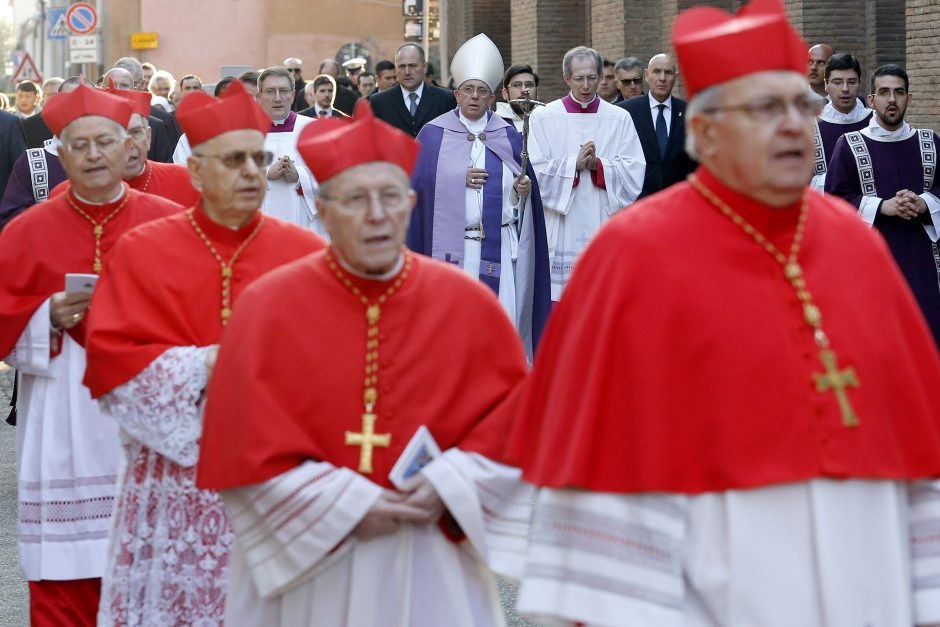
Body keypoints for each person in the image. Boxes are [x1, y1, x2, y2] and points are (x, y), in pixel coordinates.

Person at [510, 2, 940, 626]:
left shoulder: (855, 243)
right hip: (709, 586)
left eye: (801, 105)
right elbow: (598, 451)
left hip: (862, 583)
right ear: (706, 134)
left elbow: (912, 426)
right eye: (766, 109)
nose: (795, 126)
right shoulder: (632, 255)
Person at [194, 98, 533, 627]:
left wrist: (450, 484)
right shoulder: (269, 306)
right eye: (355, 200)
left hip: (430, 547)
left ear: (411, 203)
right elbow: (240, 443)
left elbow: (517, 429)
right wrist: (347, 505)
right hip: (312, 562)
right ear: (323, 210)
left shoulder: (468, 306)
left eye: (390, 198)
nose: (377, 215)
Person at [81, 78, 325, 627]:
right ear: (195, 171)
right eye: (233, 159)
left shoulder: (308, 256)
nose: (251, 172)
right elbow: (113, 364)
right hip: (173, 484)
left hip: (276, 477)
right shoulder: (144, 251)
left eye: (259, 159)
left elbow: (335, 367)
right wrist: (206, 365)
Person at [0, 83, 180, 627]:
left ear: (129, 145)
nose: (95, 154)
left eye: (106, 141)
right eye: (80, 145)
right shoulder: (27, 230)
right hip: (60, 409)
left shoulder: (169, 224)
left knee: (151, 571)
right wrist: (43, 317)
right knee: (64, 577)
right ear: (61, 153)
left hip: (144, 413)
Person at [409, 34, 551, 359]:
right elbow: (416, 189)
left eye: (481, 91)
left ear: (491, 98)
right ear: (456, 94)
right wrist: (456, 179)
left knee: (498, 327)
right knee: (454, 329)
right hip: (451, 249)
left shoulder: (508, 134)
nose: (474, 97)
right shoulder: (433, 134)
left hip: (497, 246)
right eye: (468, 90)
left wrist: (521, 194)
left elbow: (520, 197)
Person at [825, 64, 940, 346]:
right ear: (871, 100)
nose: (892, 99)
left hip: (924, 261)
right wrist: (880, 207)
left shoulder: (930, 142)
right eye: (884, 92)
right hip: (873, 258)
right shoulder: (850, 144)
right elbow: (833, 201)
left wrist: (925, 202)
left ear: (908, 99)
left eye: (899, 92)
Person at [528, 45, 645, 301]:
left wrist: (598, 166)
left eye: (592, 78)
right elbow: (535, 171)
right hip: (561, 224)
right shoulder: (544, 117)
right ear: (566, 78)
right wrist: (573, 165)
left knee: (602, 298)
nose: (586, 85)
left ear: (601, 77)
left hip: (603, 219)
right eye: (579, 78)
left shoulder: (619, 117)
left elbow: (634, 169)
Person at [175, 70, 321, 234]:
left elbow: (335, 183)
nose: (278, 98)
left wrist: (300, 176)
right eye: (270, 91)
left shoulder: (314, 130)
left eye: (284, 91)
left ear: (293, 95)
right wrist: (264, 172)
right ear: (259, 96)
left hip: (303, 225)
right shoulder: (238, 133)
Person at [50, 83, 200, 207]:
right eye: (111, 139)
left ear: (148, 137)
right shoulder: (65, 194)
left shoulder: (184, 181)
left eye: (135, 132)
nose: (129, 144)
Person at [0, 77, 91, 231]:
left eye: (87, 99)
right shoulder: (31, 161)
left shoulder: (113, 158)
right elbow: (11, 218)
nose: (78, 108)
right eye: (69, 101)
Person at [619, 53, 696, 197]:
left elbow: (695, 162)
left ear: (676, 77)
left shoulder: (689, 112)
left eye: (668, 72)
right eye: (657, 71)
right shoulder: (626, 112)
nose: (662, 78)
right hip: (637, 203)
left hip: (678, 201)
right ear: (646, 75)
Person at [808, 53, 871, 190]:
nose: (845, 89)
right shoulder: (810, 127)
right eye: (837, 82)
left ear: (859, 83)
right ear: (826, 84)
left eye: (851, 82)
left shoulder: (875, 121)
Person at [370, 43, 457, 138]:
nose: (407, 72)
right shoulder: (379, 102)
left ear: (424, 67)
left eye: (412, 65)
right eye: (402, 66)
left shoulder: (445, 99)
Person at [496, 64, 539, 132]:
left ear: (537, 91)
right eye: (516, 85)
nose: (524, 90)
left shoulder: (547, 121)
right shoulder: (494, 124)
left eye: (528, 85)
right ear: (505, 93)